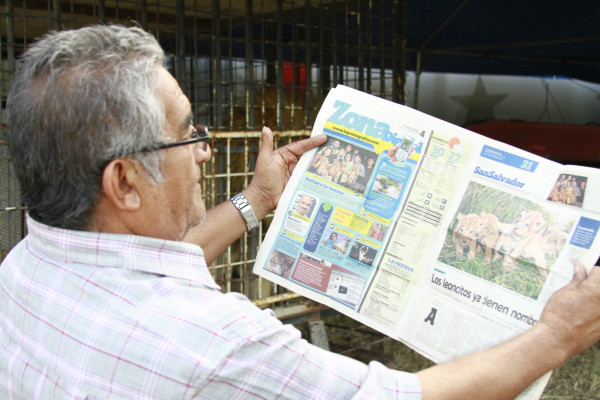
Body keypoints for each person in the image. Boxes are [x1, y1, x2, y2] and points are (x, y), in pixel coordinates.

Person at [1, 25, 600, 400]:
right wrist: (555, 335)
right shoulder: (217, 343)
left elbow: (151, 268)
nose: (207, 150)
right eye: (188, 133)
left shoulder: (24, 267)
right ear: (125, 181)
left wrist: (257, 201)